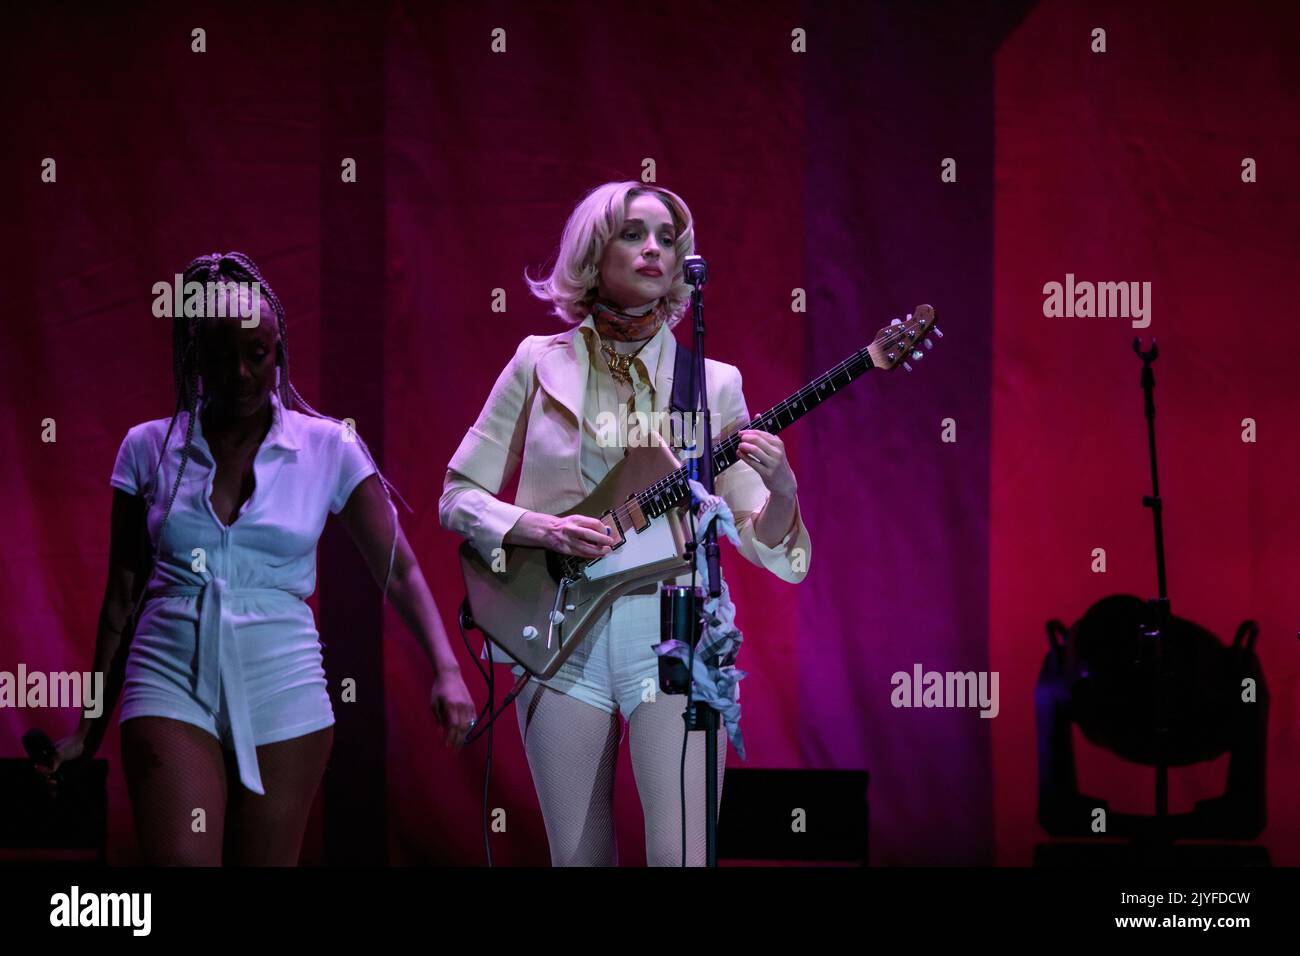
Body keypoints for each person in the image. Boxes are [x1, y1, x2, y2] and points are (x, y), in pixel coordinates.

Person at [38, 251, 476, 865]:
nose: (241, 372)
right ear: (194, 355)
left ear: (279, 350)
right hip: (169, 674)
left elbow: (398, 567)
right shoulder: (147, 449)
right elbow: (120, 599)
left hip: (284, 681)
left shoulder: (327, 446)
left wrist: (447, 668)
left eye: (258, 354)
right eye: (222, 356)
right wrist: (88, 728)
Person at [440, 182, 812, 866]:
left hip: (671, 629)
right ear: (592, 250)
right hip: (559, 627)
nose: (654, 250)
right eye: (634, 234)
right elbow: (458, 495)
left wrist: (783, 485)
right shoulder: (536, 361)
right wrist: (542, 529)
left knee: (684, 859)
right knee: (578, 860)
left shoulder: (712, 382)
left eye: (668, 239)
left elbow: (767, 543)